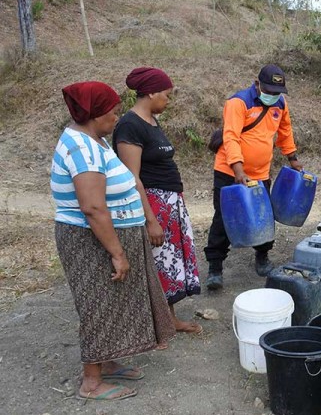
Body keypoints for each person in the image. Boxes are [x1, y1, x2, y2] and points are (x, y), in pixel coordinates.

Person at [51, 82, 175, 401]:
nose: (117, 117)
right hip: (90, 240)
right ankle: (91, 381)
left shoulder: (96, 140)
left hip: (110, 235)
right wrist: (117, 253)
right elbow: (92, 207)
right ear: (95, 113)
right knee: (98, 303)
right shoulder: (82, 148)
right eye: (113, 111)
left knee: (113, 301)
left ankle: (106, 364)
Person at [113, 67, 202, 335]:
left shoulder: (151, 120)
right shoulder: (130, 125)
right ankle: (156, 324)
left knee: (166, 263)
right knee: (156, 263)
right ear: (150, 93)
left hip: (170, 203)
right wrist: (150, 219)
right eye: (166, 94)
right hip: (153, 205)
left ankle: (169, 319)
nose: (168, 99)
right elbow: (133, 178)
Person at [204, 64, 303, 289]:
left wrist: (293, 158)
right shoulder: (238, 103)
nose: (272, 96)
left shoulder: (280, 103)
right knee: (223, 217)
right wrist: (238, 170)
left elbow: (285, 133)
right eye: (268, 91)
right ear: (257, 84)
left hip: (260, 174)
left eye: (276, 92)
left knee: (263, 216)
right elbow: (230, 137)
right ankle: (215, 267)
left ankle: (262, 257)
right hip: (229, 172)